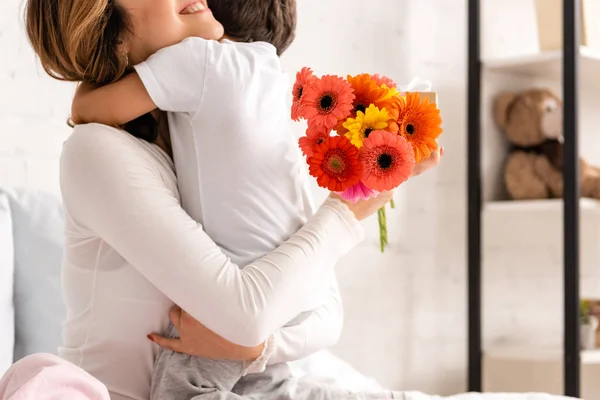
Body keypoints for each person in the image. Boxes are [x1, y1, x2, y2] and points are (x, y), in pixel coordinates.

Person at [23, 0, 440, 399]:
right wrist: (348, 209)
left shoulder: (223, 129)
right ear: (109, 33)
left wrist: (259, 350)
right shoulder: (98, 151)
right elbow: (247, 315)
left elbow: (325, 314)